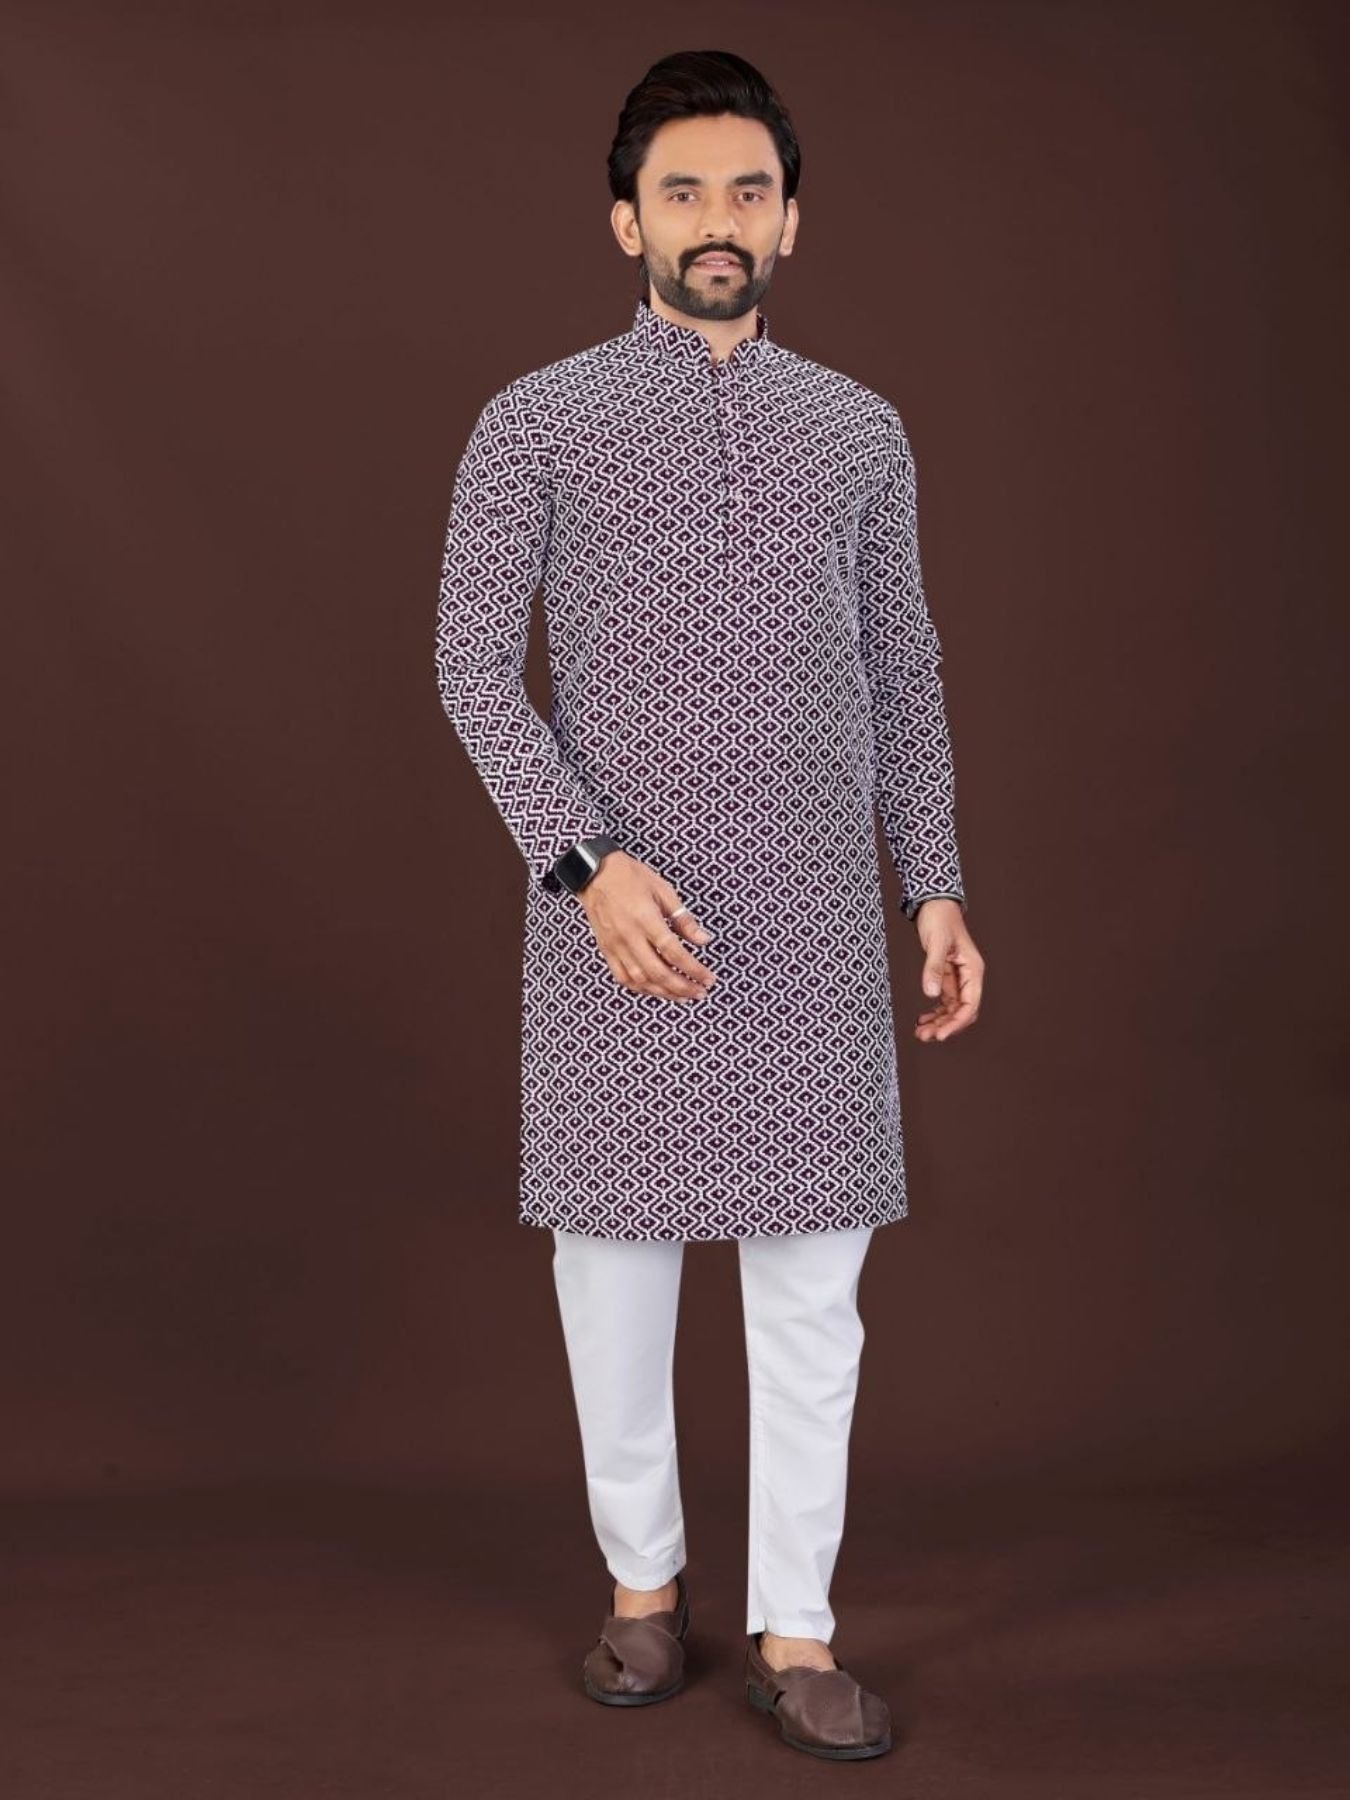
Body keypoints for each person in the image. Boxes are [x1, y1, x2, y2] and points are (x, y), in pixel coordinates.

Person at [435, 47, 985, 1761]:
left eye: (748, 189)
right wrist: (583, 867)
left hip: (814, 920)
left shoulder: (859, 429)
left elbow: (903, 669)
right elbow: (470, 668)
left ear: (792, 219)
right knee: (613, 1279)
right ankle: (641, 1592)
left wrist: (936, 885)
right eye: (681, 191)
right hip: (617, 922)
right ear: (626, 222)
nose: (716, 219)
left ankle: (796, 1627)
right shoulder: (534, 418)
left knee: (813, 1292)